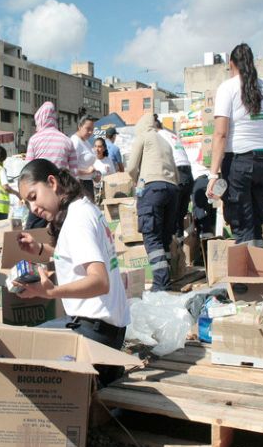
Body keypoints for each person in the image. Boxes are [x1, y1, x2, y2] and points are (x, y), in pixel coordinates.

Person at [12, 159, 129, 386]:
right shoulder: (83, 208)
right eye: (27, 203)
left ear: (52, 183)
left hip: (96, 333)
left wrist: (51, 292)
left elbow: (99, 281)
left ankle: (98, 373)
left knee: (20, 348)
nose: (33, 208)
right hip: (107, 330)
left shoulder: (77, 221)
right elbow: (74, 256)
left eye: (34, 197)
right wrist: (39, 250)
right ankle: (103, 371)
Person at [207, 43, 263, 248]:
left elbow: (221, 134)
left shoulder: (227, 88)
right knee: (257, 221)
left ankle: (245, 278)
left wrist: (213, 175)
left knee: (242, 224)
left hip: (238, 163)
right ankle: (258, 273)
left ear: (232, 64)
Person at [125, 113, 179, 291]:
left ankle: (160, 284)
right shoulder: (165, 141)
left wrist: (136, 181)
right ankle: (169, 278)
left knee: (152, 236)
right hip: (172, 189)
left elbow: (131, 167)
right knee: (164, 237)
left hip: (152, 189)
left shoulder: (143, 137)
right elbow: (176, 171)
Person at [25, 101, 78, 229]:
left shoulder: (34, 140)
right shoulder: (67, 140)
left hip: (40, 193)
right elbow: (74, 173)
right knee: (61, 229)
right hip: (61, 194)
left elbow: (28, 170)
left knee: (33, 230)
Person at [156, 117, 194, 239]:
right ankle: (180, 247)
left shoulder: (158, 136)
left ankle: (173, 250)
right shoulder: (171, 134)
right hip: (187, 174)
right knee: (180, 216)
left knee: (171, 215)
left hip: (177, 172)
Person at [70, 115, 100, 202]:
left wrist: (94, 174)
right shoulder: (75, 141)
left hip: (88, 182)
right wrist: (87, 172)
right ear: (80, 126)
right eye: (88, 129)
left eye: (92, 129)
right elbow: (70, 168)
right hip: (79, 184)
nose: (90, 132)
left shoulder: (85, 141)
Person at [0, 145, 21, 222]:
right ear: (4, 158)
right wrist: (17, 193)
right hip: (1, 205)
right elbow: (5, 187)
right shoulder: (0, 169)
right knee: (1, 229)